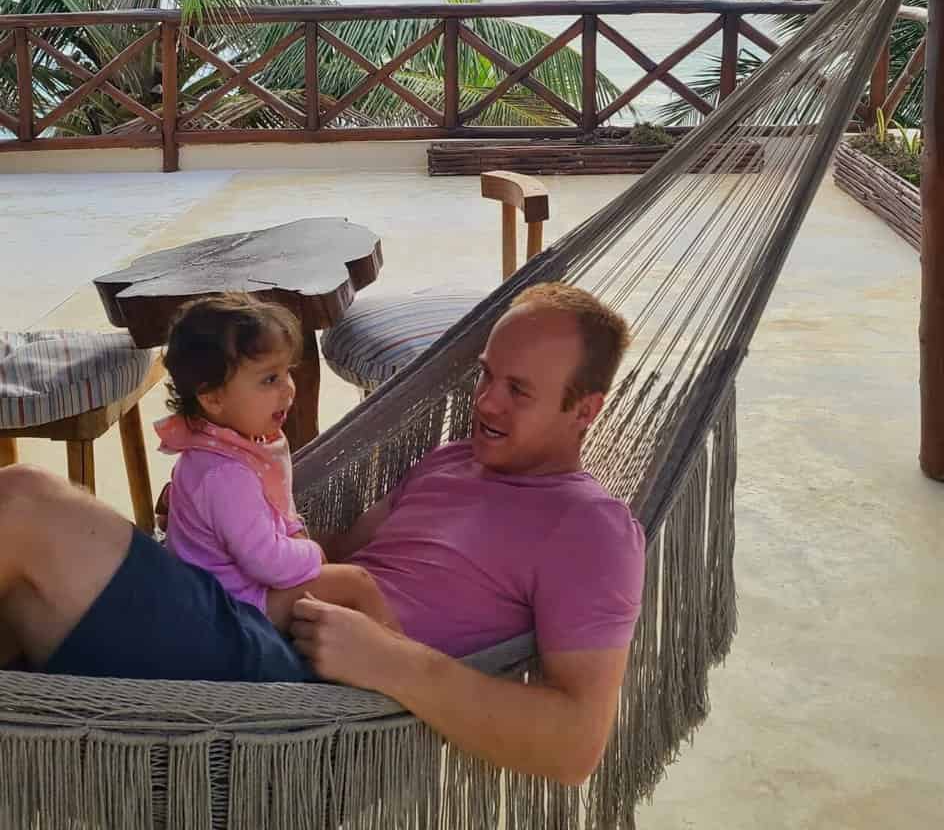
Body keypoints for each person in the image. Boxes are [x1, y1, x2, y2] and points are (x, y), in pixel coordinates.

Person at [0, 283, 644, 785]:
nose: (486, 403)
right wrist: (224, 517)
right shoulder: (451, 461)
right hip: (246, 628)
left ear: (585, 410)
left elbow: (575, 746)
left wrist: (392, 662)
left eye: (518, 391)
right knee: (23, 601)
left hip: (305, 705)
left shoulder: (592, 529)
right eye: (486, 375)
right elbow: (332, 550)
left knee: (24, 503)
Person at [155, 293, 394, 633]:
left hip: (235, 592)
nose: (288, 390)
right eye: (269, 379)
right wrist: (312, 554)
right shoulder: (225, 473)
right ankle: (400, 656)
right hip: (233, 613)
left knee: (332, 550)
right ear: (212, 398)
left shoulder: (229, 444)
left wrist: (299, 537)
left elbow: (275, 512)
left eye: (287, 373)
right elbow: (264, 560)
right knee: (355, 583)